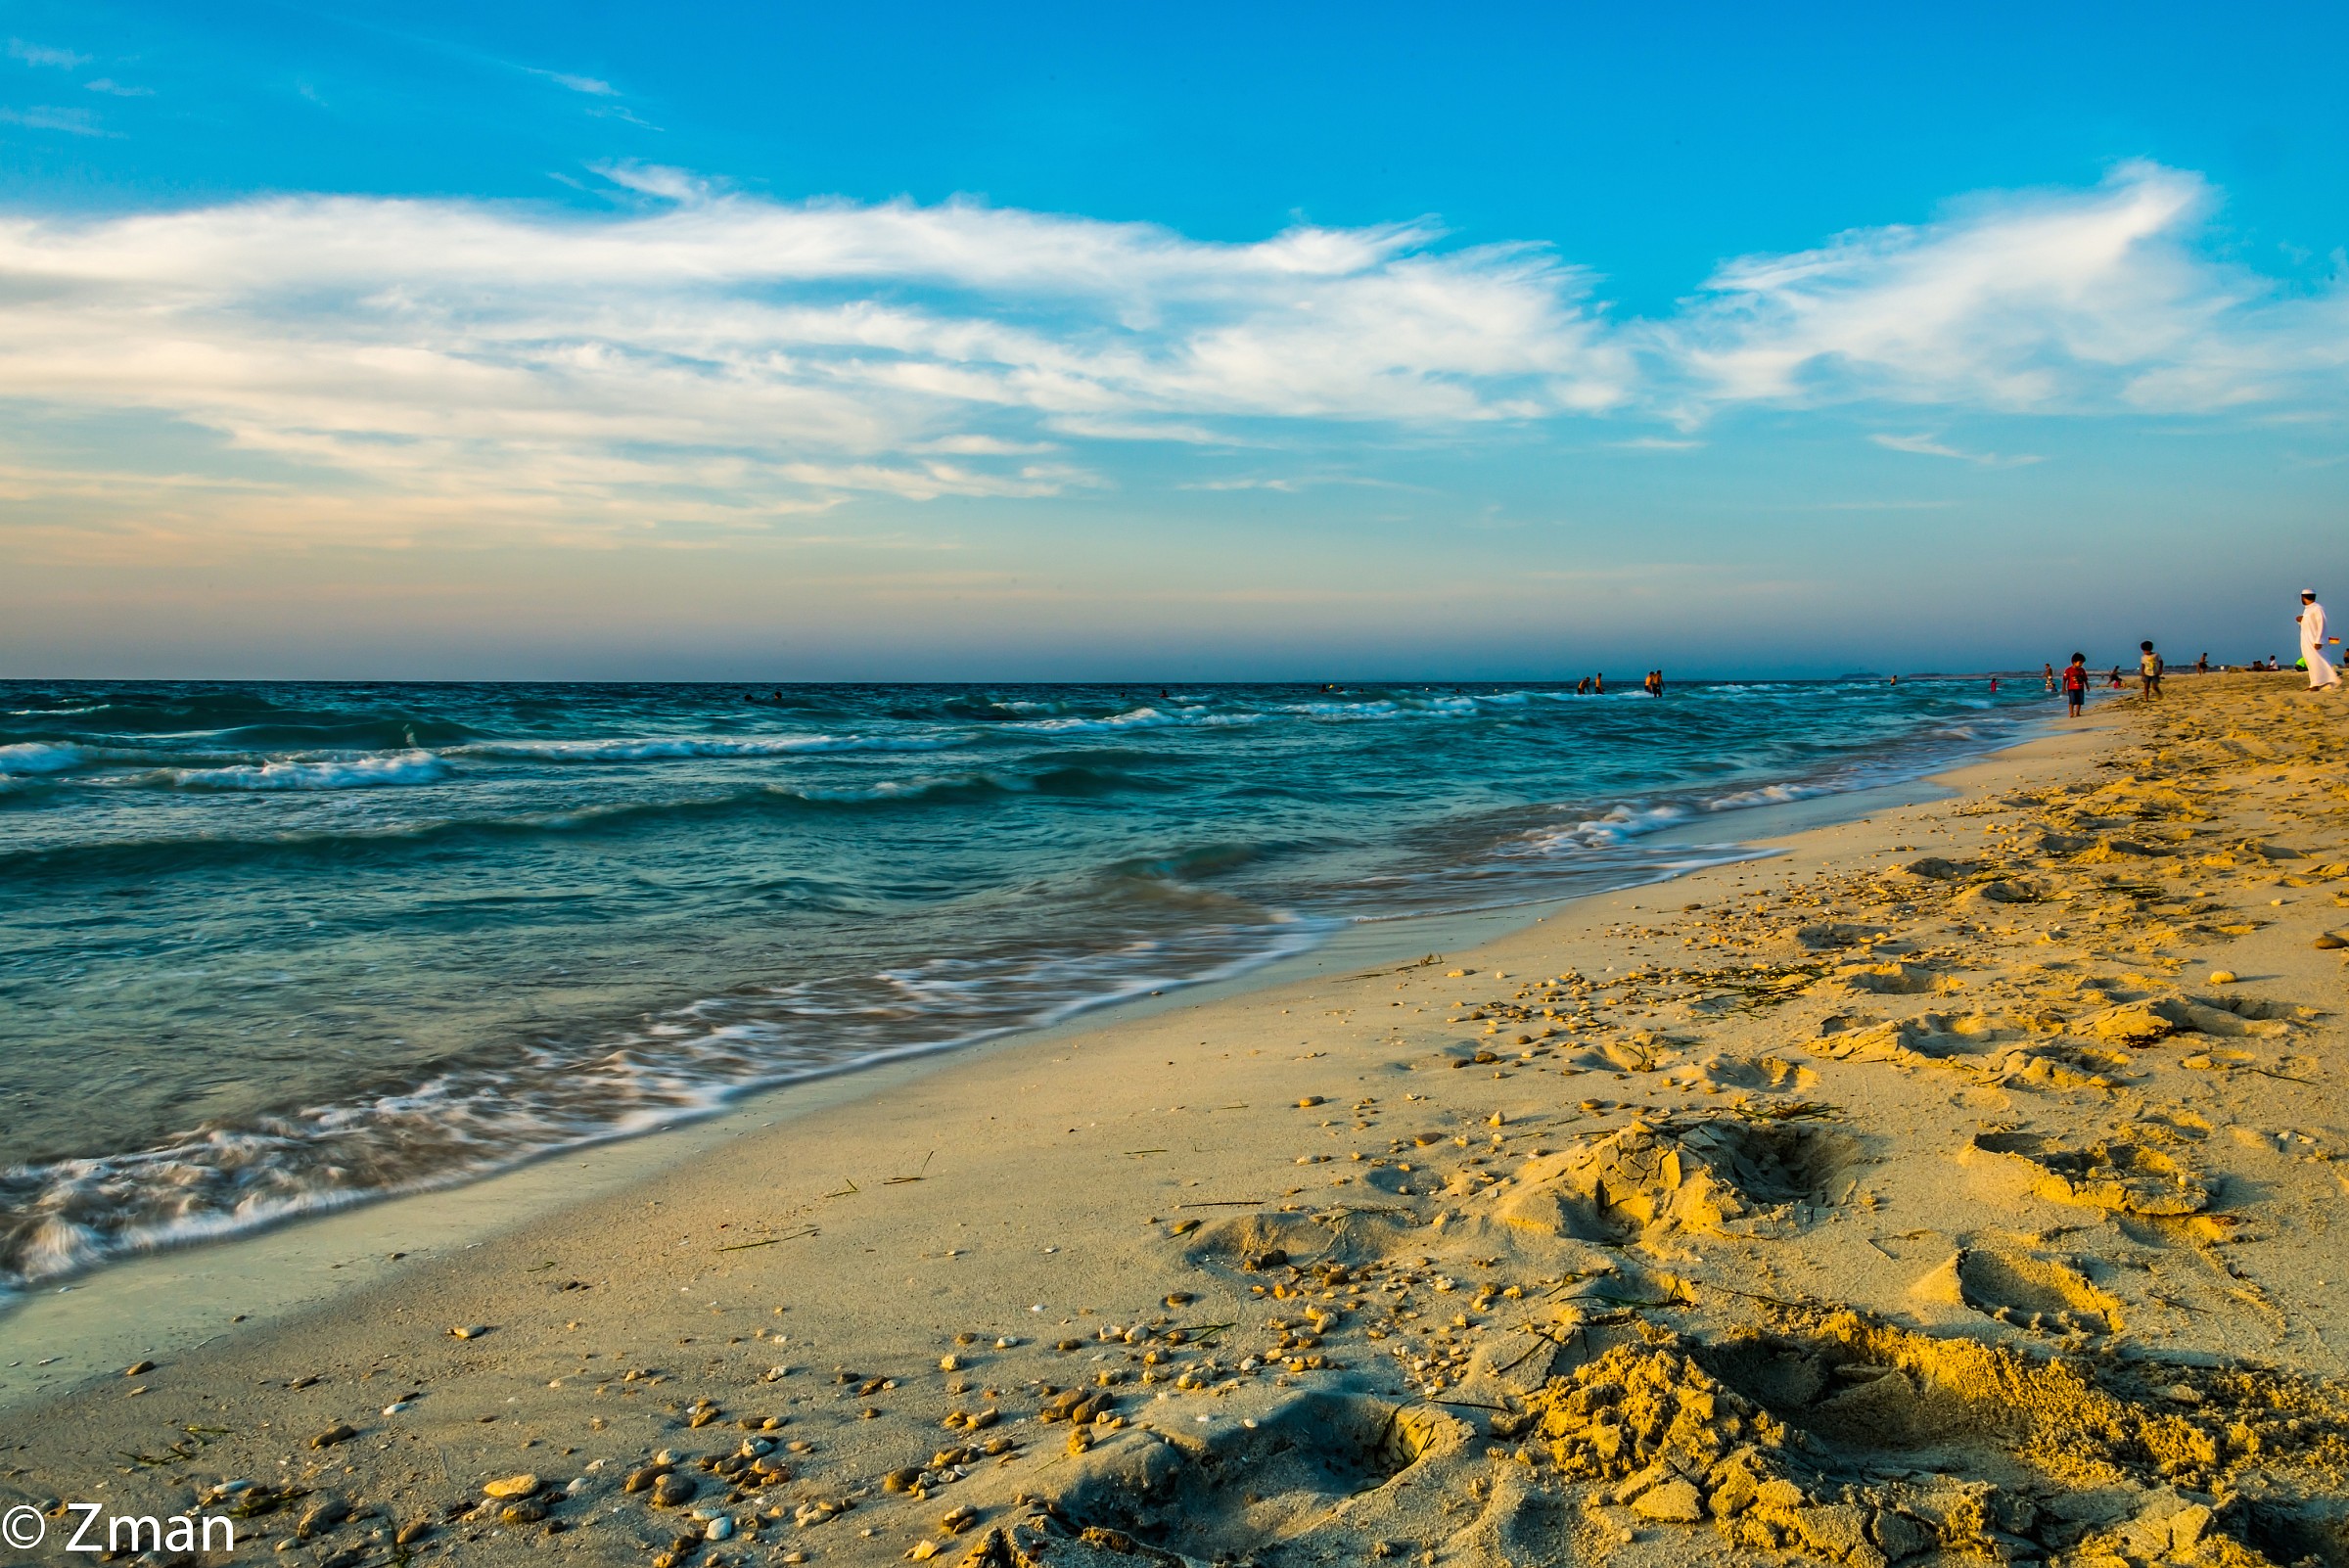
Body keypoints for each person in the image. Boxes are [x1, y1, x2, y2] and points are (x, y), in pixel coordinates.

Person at [2299, 590, 2341, 692]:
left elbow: (2322, 624)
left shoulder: (2318, 608)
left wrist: (2319, 641)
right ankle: (2314, 684)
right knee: (2311, 662)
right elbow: (2309, 625)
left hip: (2315, 641)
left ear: (2304, 597)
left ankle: (2329, 680)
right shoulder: (2307, 610)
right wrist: (2301, 620)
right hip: (2307, 641)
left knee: (2319, 661)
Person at [2062, 653, 2089, 717]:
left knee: (2079, 701)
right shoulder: (2068, 670)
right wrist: (2063, 688)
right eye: (2080, 663)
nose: (2081, 664)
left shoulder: (2082, 670)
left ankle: (2077, 713)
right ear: (2074, 662)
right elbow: (2065, 679)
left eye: (2082, 663)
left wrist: (2087, 686)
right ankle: (2071, 713)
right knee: (2072, 701)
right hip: (2071, 688)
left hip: (2080, 688)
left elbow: (2085, 679)